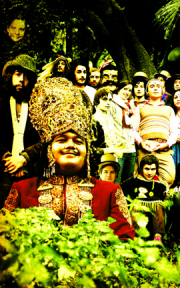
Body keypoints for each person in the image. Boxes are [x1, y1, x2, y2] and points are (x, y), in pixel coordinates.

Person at [3, 78, 135, 240]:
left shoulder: (109, 193)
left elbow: (125, 242)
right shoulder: (22, 191)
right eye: (62, 140)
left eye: (78, 141)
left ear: (87, 150)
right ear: (49, 148)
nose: (70, 145)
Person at [0, 55, 40, 208]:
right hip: (3, 171)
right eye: (18, 74)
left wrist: (24, 158)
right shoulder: (0, 102)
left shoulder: (38, 106)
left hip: (32, 172)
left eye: (27, 76)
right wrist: (8, 159)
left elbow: (45, 139)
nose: (22, 80)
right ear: (10, 75)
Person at [132, 78, 178, 186]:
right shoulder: (140, 108)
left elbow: (174, 132)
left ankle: (158, 195)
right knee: (142, 179)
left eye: (158, 86)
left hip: (163, 148)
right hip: (146, 147)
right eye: (152, 86)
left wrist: (166, 144)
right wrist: (141, 143)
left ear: (162, 91)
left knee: (169, 178)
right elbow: (133, 130)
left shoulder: (169, 109)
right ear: (147, 91)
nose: (155, 88)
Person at [121, 155, 168, 242]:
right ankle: (133, 237)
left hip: (154, 220)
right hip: (137, 217)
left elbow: (166, 206)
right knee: (137, 204)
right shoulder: (131, 182)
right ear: (141, 168)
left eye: (153, 169)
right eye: (147, 169)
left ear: (156, 169)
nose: (150, 173)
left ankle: (158, 237)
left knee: (157, 204)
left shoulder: (162, 185)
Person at [113, 80, 136, 184]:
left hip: (131, 148)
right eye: (124, 89)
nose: (127, 92)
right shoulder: (112, 103)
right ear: (118, 89)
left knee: (128, 183)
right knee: (116, 181)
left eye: (129, 90)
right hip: (119, 147)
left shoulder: (131, 106)